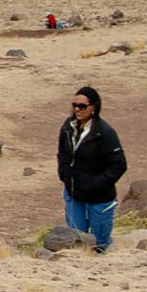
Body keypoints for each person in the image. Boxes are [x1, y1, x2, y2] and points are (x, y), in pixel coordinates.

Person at [56, 85, 127, 252]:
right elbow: (63, 153)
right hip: (74, 195)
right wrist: (64, 173)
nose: (77, 109)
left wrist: (95, 184)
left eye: (82, 106)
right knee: (77, 241)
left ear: (93, 107)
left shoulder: (105, 133)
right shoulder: (68, 127)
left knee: (99, 245)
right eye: (74, 105)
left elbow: (119, 165)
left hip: (100, 199)